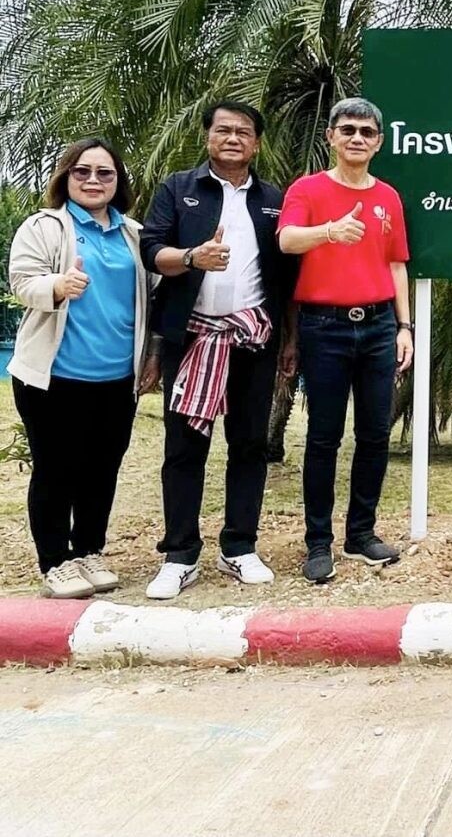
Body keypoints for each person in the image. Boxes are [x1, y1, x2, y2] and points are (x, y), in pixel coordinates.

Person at [139, 101, 296, 600]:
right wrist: (192, 257)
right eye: (223, 129)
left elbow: (287, 279)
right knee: (184, 449)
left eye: (244, 132)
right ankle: (180, 555)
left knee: (249, 446)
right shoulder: (178, 189)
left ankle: (240, 547)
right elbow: (151, 250)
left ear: (257, 143)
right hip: (192, 341)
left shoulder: (273, 199)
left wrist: (290, 340)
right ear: (207, 136)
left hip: (253, 339)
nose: (233, 138)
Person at [8, 139, 158, 598]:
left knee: (102, 470)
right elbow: (21, 282)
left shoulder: (133, 233)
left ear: (118, 182)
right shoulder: (45, 226)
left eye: (105, 173)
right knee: (56, 470)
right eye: (83, 172)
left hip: (117, 380)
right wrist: (59, 284)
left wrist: (151, 356)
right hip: (55, 377)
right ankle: (55, 561)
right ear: (66, 177)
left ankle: (89, 550)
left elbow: (151, 300)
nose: (93, 181)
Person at [278, 97, 415, 584]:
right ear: (331, 137)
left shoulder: (389, 198)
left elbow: (397, 263)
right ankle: (319, 543)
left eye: (367, 132)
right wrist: (330, 231)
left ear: (379, 142)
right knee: (323, 437)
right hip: (324, 327)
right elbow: (286, 240)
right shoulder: (307, 189)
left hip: (379, 327)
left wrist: (405, 327)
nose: (357, 138)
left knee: (375, 434)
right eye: (348, 130)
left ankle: (362, 534)